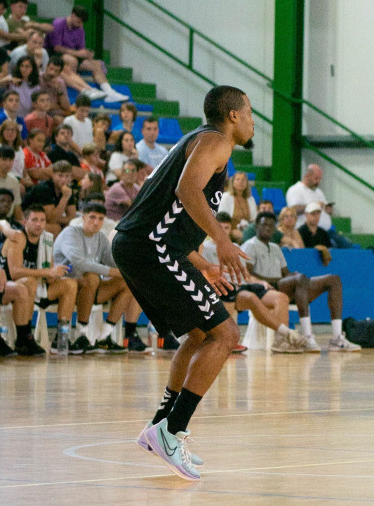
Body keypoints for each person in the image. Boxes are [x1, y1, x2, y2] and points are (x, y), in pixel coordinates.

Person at [113, 86, 305, 481]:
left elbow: (169, 212)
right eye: (249, 112)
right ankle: (171, 430)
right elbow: (185, 191)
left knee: (201, 334)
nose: (254, 120)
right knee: (226, 333)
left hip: (144, 245)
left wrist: (199, 262)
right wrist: (221, 241)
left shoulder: (199, 141)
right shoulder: (216, 142)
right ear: (233, 116)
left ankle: (160, 428)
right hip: (150, 248)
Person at [241, 211, 361, 353]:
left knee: (333, 280)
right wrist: (292, 279)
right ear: (256, 227)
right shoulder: (249, 245)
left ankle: (337, 338)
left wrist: (295, 276)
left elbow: (286, 273)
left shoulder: (275, 248)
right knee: (299, 280)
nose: (267, 228)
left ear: (274, 228)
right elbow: (247, 274)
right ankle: (307, 336)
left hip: (283, 286)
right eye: (264, 224)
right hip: (264, 289)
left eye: (271, 225)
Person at [201, 212, 296, 354]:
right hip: (218, 289)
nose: (222, 231)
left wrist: (261, 282)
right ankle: (288, 333)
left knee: (275, 297)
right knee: (249, 297)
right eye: (219, 227)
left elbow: (245, 274)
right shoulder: (205, 247)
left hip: (237, 288)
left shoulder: (233, 246)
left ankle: (282, 339)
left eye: (226, 228)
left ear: (230, 229)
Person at [54, 202, 142, 353]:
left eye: (100, 219)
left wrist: (134, 266)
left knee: (127, 281)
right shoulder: (70, 233)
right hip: (65, 288)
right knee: (92, 277)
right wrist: (113, 272)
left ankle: (105, 336)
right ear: (83, 218)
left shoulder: (100, 237)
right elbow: (80, 263)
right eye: (92, 217)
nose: (96, 222)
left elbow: (114, 263)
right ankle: (82, 334)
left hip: (90, 290)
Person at [0, 204, 78, 355]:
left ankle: (61, 337)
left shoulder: (47, 239)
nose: (39, 224)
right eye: (34, 220)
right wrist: (47, 272)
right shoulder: (17, 237)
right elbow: (14, 273)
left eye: (42, 220)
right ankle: (24, 338)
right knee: (29, 282)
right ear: (24, 222)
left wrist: (55, 274)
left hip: (35, 287)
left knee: (70, 284)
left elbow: (49, 274)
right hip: (2, 287)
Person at [44, 6, 128, 102]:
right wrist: (77, 53)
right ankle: (78, 90)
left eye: (82, 23)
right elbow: (57, 48)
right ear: (73, 15)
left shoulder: (80, 28)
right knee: (72, 60)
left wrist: (86, 54)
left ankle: (109, 92)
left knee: (95, 64)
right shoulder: (59, 23)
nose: (80, 25)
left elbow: (81, 49)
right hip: (54, 54)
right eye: (79, 21)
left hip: (72, 54)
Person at [21, 160, 77, 235]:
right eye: (60, 175)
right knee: (55, 228)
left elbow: (72, 217)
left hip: (44, 220)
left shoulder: (68, 190)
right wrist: (65, 197)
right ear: (53, 175)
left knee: (71, 227)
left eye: (67, 176)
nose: (63, 179)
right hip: (27, 220)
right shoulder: (44, 188)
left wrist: (58, 219)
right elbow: (51, 219)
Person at [217, 171, 256, 243]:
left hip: (247, 233)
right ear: (233, 182)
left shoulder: (250, 199)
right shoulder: (226, 197)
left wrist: (246, 233)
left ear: (247, 183)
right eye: (237, 179)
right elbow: (221, 218)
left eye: (243, 180)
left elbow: (253, 220)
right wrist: (231, 231)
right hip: (229, 232)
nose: (240, 182)